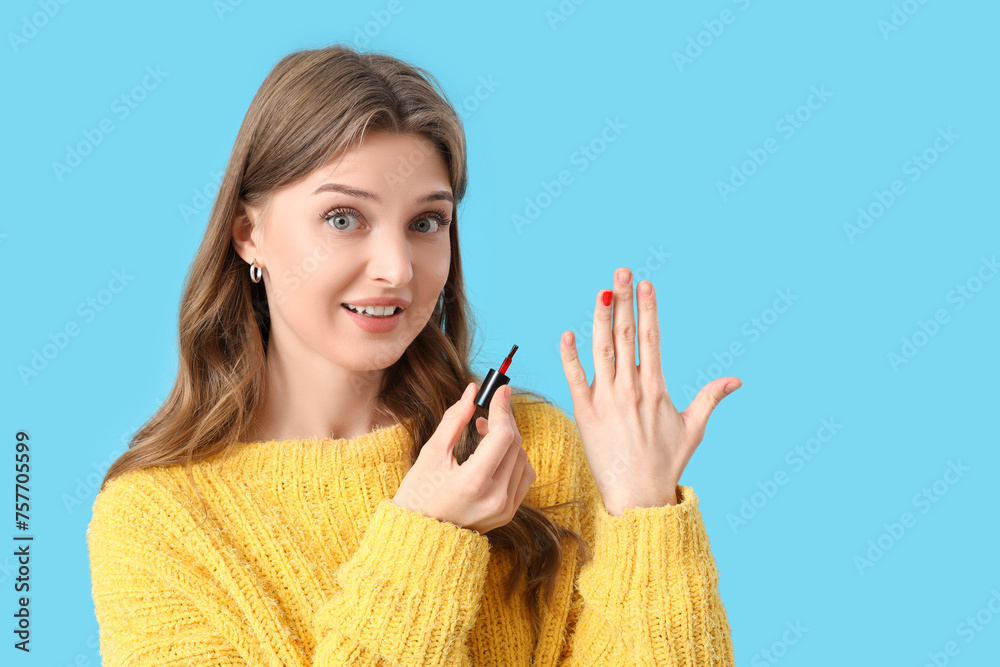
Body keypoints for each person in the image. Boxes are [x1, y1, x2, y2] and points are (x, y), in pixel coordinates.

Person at [87, 43, 740, 665]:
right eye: (344, 218)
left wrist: (644, 508)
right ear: (248, 234)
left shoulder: (529, 451)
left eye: (426, 222)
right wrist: (427, 532)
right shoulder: (154, 519)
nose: (397, 269)